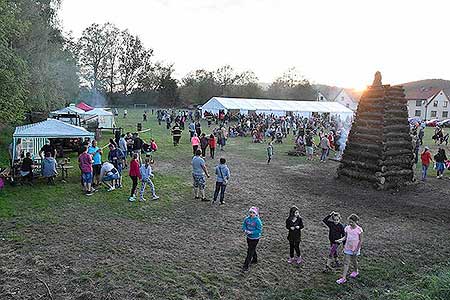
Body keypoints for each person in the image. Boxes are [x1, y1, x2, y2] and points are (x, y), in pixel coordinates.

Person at [336, 214, 363, 284]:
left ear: (356, 221)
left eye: (352, 222)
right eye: (349, 222)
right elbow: (345, 237)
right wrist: (340, 240)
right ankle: (343, 278)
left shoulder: (359, 230)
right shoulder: (347, 228)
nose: (350, 223)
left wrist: (357, 249)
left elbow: (360, 240)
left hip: (355, 249)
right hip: (347, 247)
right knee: (346, 262)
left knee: (354, 261)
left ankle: (356, 271)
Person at [242, 206, 263, 272]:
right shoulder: (247, 219)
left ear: (256, 214)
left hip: (255, 238)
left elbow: (259, 230)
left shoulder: (258, 221)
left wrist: (251, 232)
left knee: (249, 251)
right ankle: (255, 259)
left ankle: (246, 266)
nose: (251, 214)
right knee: (251, 248)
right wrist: (245, 230)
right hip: (249, 237)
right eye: (250, 212)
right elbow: (244, 225)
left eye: (253, 213)